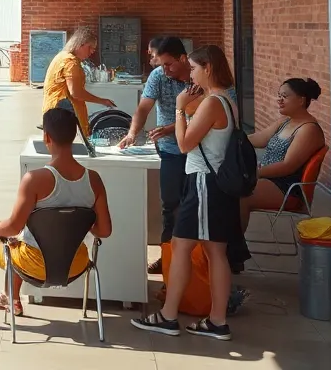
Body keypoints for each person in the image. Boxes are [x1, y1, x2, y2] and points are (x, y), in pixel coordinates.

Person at [0, 107, 112, 329]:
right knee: (23, 236)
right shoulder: (94, 180)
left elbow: (12, 227)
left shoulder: (34, 179)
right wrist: (79, 222)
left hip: (34, 266)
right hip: (75, 265)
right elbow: (104, 231)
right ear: (74, 135)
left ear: (46, 137)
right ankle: (12, 299)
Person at [133, 45, 239, 341]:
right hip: (215, 183)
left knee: (185, 246)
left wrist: (180, 108)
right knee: (210, 250)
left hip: (204, 182)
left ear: (207, 68)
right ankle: (215, 319)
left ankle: (170, 316)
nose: (190, 74)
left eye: (193, 69)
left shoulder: (213, 102)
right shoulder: (226, 100)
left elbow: (185, 144)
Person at [119, 36, 196, 274]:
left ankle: (199, 262)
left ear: (183, 59)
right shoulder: (158, 76)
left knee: (196, 206)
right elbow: (143, 108)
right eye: (161, 64)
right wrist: (133, 132)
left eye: (169, 64)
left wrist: (172, 127)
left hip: (197, 152)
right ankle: (167, 258)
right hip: (171, 151)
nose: (164, 69)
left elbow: (204, 116)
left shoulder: (198, 77)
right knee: (170, 205)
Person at [240, 78, 325, 239]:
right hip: (269, 179)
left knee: (240, 194)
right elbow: (259, 139)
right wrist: (232, 137)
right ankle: (223, 244)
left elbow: (288, 166)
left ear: (301, 100)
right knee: (228, 186)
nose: (279, 100)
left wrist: (255, 173)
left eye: (284, 96)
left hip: (287, 187)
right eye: (279, 95)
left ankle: (234, 248)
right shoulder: (285, 121)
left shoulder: (308, 129)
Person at [42, 26, 114, 138]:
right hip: (64, 113)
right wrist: (102, 101)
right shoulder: (71, 62)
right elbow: (75, 93)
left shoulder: (61, 57)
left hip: (54, 111)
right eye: (90, 47)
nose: (92, 52)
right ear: (80, 44)